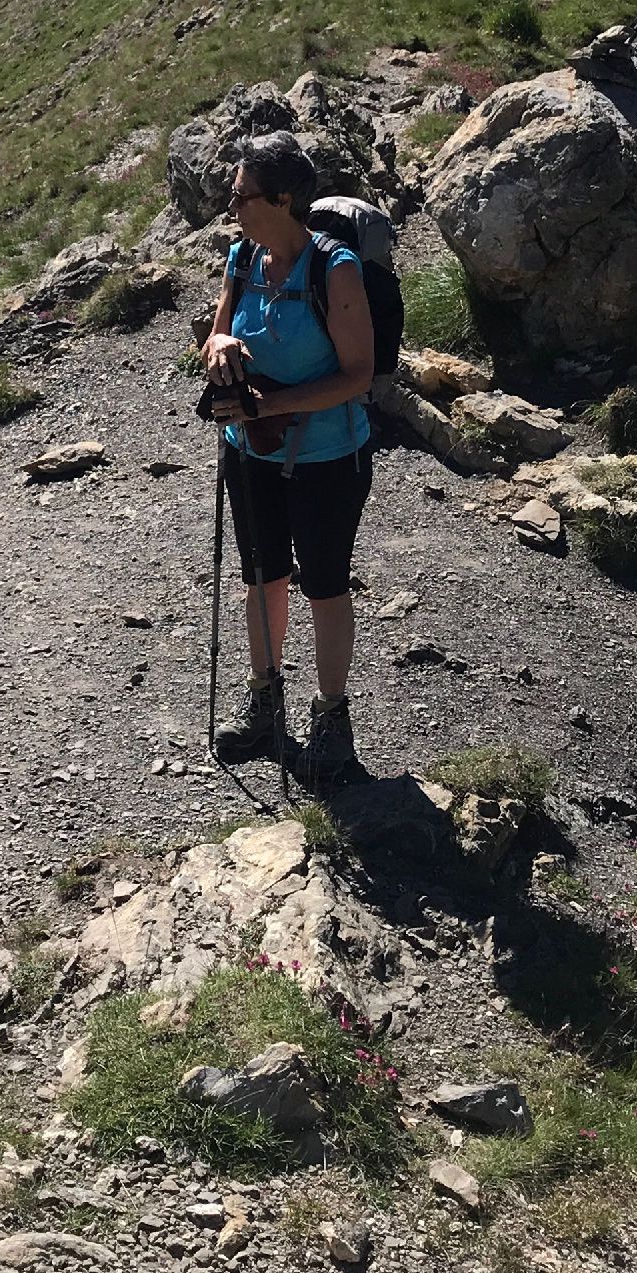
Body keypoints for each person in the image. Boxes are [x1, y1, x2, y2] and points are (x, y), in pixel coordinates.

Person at [200, 131, 375, 788]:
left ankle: (332, 720)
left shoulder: (335, 269)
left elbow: (357, 375)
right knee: (263, 577)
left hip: (329, 456)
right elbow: (217, 332)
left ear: (280, 199)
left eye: (241, 195)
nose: (232, 207)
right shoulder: (243, 257)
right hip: (250, 451)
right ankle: (264, 701)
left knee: (324, 585)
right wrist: (219, 347)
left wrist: (268, 406)